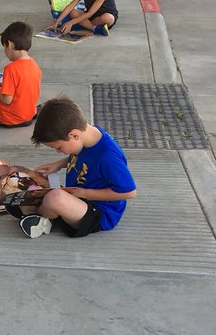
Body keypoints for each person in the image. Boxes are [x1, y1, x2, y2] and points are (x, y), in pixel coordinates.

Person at [7, 96, 136, 239]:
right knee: (30, 178)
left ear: (74, 135)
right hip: (76, 195)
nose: (58, 150)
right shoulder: (88, 136)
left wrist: (86, 194)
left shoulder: (108, 157)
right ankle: (34, 212)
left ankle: (37, 216)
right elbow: (85, 156)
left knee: (55, 198)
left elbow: (129, 192)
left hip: (98, 212)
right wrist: (60, 164)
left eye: (59, 147)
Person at [0, 22, 42, 129]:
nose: (5, 52)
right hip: (28, 116)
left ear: (10, 44)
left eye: (4, 47)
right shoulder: (34, 65)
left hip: (10, 119)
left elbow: (7, 100)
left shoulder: (11, 68)